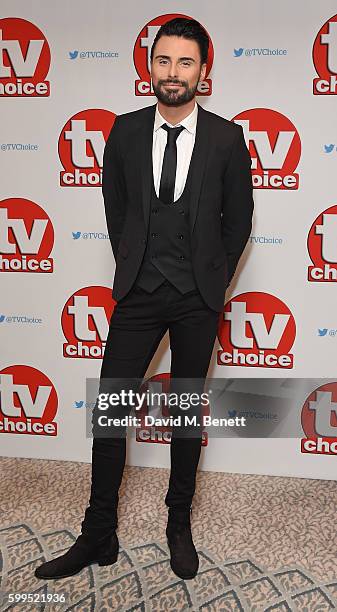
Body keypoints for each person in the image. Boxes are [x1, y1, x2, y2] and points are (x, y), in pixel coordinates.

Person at [35, 17, 254, 582]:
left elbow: (239, 223)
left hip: (197, 299)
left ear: (204, 72)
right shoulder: (125, 132)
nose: (173, 73)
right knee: (110, 414)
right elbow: (118, 212)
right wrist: (135, 263)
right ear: (149, 67)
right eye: (163, 61)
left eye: (185, 62)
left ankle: (177, 525)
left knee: (184, 417)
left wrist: (214, 279)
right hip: (138, 294)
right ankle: (98, 533)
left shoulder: (228, 138)